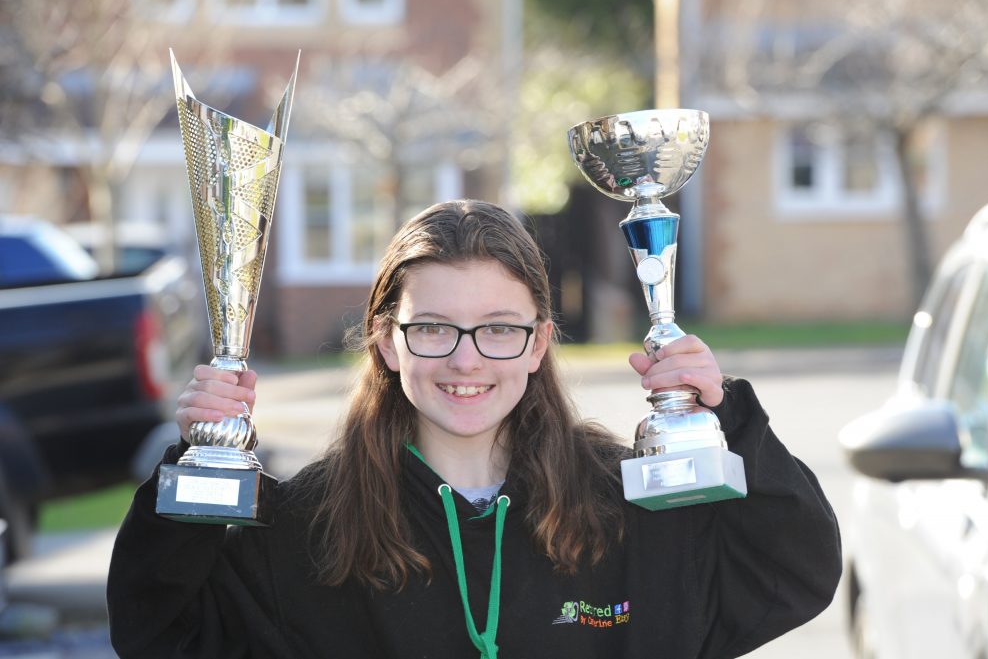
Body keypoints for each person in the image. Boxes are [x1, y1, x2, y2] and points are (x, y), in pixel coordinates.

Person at [107, 199, 842, 659]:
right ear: (387, 341)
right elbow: (157, 629)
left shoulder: (626, 509)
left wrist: (727, 418)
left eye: (498, 328)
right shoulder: (308, 527)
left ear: (539, 340)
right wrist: (202, 461)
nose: (465, 359)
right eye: (432, 327)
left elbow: (796, 571)